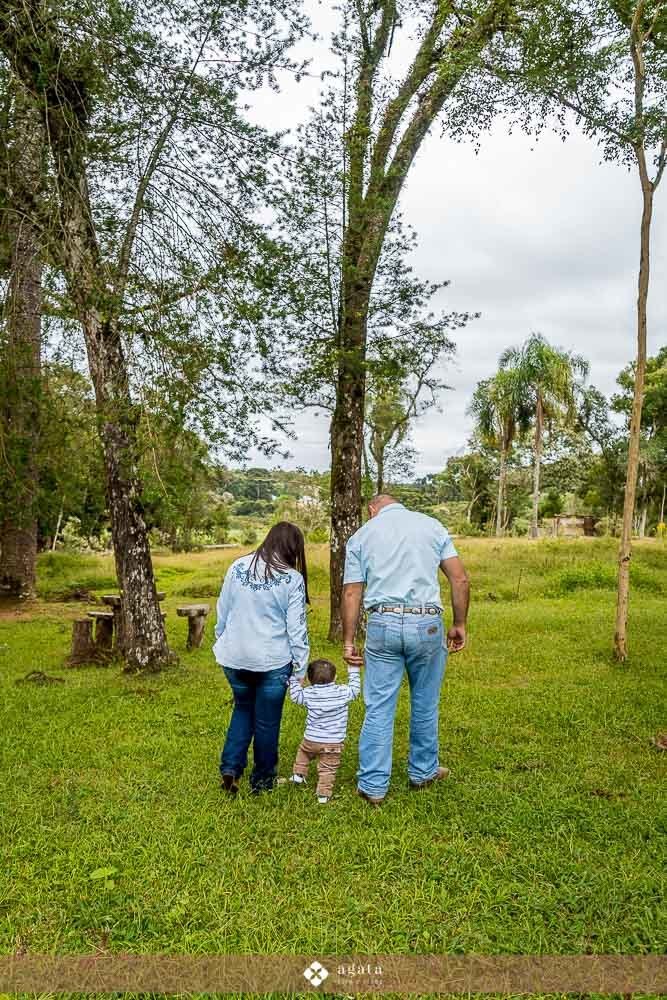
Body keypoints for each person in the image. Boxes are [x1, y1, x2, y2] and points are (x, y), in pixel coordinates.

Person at [341, 494, 470, 805]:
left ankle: (373, 785)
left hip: (382, 623)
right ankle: (423, 772)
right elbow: (460, 578)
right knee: (425, 701)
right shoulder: (432, 526)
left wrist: (348, 640)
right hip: (426, 623)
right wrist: (460, 623)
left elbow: (351, 592)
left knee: (379, 706)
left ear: (373, 509)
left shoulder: (362, 535)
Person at [213, 522, 310, 795]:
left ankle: (230, 768)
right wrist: (300, 669)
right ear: (294, 548)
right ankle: (263, 781)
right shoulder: (292, 579)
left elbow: (223, 609)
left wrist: (221, 639)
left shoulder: (238, 566)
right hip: (272, 660)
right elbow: (297, 629)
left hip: (233, 657)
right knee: (267, 722)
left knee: (243, 709)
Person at [286, 658, 361, 804]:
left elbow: (296, 696)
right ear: (335, 677)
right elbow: (355, 689)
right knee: (328, 768)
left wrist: (294, 678)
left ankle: (298, 774)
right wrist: (353, 669)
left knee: (303, 753)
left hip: (311, 739)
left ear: (309, 679)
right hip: (333, 743)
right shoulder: (343, 692)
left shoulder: (308, 693)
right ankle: (323, 795)